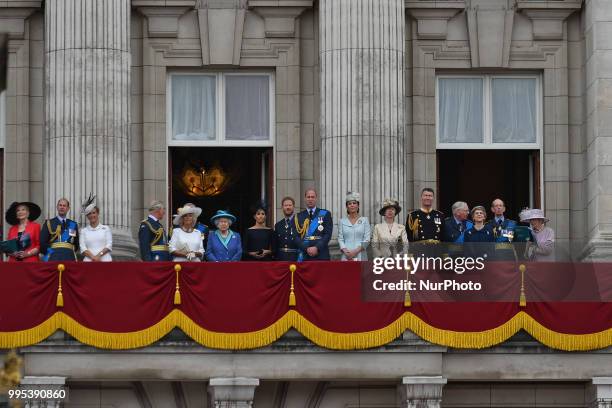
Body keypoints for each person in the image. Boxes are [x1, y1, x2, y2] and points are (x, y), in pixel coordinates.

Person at [293, 188, 333, 261]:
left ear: (316, 199)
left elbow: (327, 234)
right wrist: (306, 248)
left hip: (321, 254)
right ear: (305, 199)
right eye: (308, 197)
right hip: (305, 255)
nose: (310, 199)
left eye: (312, 197)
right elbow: (295, 237)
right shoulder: (298, 216)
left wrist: (317, 247)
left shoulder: (325, 214)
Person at [338, 192, 371, 261]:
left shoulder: (364, 220)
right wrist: (346, 252)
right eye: (349, 204)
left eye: (354, 203)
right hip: (346, 255)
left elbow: (367, 239)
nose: (352, 205)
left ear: (358, 205)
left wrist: (355, 251)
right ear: (347, 207)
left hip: (361, 254)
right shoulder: (342, 221)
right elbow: (340, 239)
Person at [274, 196, 299, 261]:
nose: (288, 207)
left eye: (290, 205)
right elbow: (276, 244)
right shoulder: (278, 225)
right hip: (280, 259)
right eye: (285, 205)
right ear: (282, 207)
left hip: (295, 259)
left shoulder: (300, 223)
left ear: (293, 207)